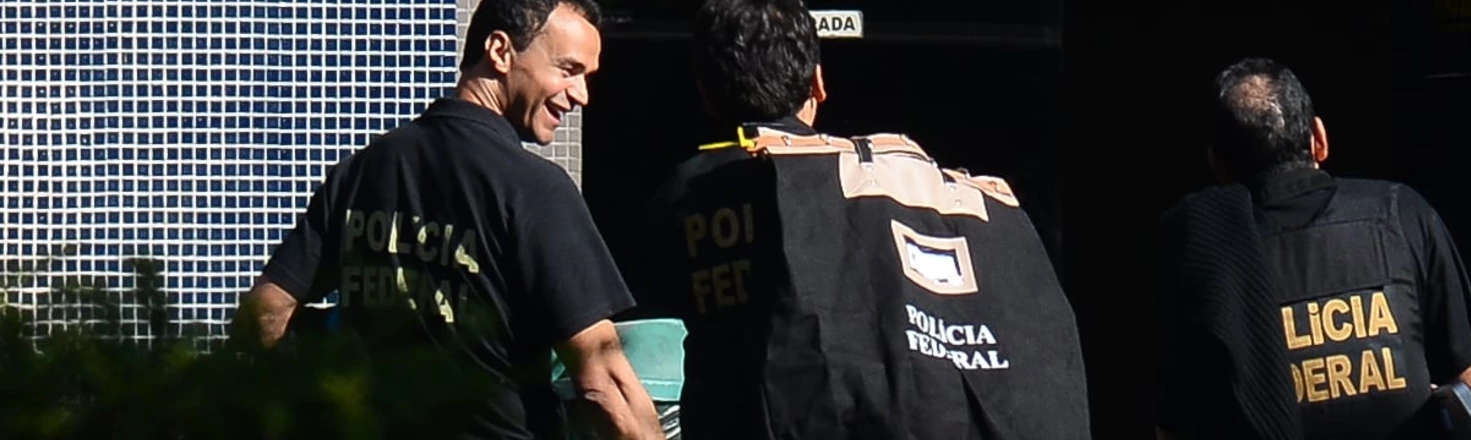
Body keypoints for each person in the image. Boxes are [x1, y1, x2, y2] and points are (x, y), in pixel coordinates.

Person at [616, 0, 1090, 438]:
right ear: (818, 84)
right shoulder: (861, 192)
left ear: (705, 90)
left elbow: (636, 335)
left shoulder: (682, 194)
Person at [232, 0, 665, 438]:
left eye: (586, 78)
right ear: (499, 51)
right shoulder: (535, 190)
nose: (581, 95)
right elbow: (604, 380)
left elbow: (264, 315)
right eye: (568, 69)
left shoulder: (367, 168)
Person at [1154, 58, 1471, 440]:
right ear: (1319, 139)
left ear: (1217, 166)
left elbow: (1177, 420)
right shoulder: (1399, 214)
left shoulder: (1201, 255)